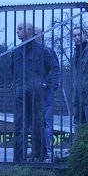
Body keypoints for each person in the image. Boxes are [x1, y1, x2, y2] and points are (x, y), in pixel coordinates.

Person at [11, 22, 59, 163]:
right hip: (21, 92)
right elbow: (12, 69)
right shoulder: (16, 51)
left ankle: (40, 155)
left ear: (29, 31)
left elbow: (54, 68)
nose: (17, 32)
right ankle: (19, 158)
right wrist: (16, 84)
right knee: (20, 124)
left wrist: (46, 83)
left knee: (38, 124)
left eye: (20, 29)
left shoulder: (42, 50)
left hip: (37, 92)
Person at [34, 27, 60, 161]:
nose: (33, 36)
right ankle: (37, 150)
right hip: (33, 92)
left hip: (45, 91)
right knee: (35, 121)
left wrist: (50, 84)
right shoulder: (30, 51)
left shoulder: (48, 51)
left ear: (41, 36)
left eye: (36, 34)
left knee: (46, 121)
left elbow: (55, 69)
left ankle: (47, 149)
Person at [72, 26, 88, 126]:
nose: (77, 37)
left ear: (85, 35)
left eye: (79, 35)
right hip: (77, 90)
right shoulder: (76, 51)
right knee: (78, 120)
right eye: (74, 36)